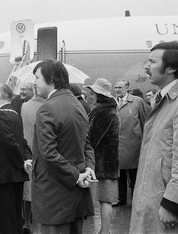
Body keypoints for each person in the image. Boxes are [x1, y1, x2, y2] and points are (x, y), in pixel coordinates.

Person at [130, 42, 178, 233]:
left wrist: (173, 204)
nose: (146, 67)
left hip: (168, 213)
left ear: (171, 67)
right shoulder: (168, 98)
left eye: (152, 61)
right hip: (155, 204)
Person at [31, 59, 95, 234]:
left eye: (37, 78)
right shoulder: (77, 104)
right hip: (75, 195)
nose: (34, 82)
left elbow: (49, 153)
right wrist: (88, 168)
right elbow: (86, 144)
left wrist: (76, 176)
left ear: (51, 79)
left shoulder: (47, 109)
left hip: (53, 196)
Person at [0, 83, 31, 234]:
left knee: (6, 218)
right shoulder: (14, 114)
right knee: (15, 215)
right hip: (15, 175)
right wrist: (25, 160)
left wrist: (21, 163)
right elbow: (21, 141)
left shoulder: (0, 115)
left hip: (4, 174)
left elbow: (9, 143)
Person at [85, 78, 120, 234]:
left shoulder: (102, 112)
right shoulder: (110, 109)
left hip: (102, 162)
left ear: (99, 95)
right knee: (105, 199)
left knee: (105, 199)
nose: (90, 96)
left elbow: (92, 138)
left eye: (92, 93)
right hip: (109, 161)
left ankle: (105, 231)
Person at [114, 79, 149, 207]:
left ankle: (136, 200)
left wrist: (145, 139)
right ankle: (121, 198)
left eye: (120, 87)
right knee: (120, 173)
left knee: (134, 173)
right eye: (116, 87)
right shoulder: (113, 102)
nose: (117, 90)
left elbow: (144, 120)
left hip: (134, 143)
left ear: (127, 88)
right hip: (118, 143)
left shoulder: (137, 102)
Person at [20, 87, 46, 234]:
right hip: (42, 151)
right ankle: (37, 223)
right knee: (39, 190)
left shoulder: (24, 106)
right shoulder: (48, 105)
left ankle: (27, 222)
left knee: (27, 189)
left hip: (27, 151)